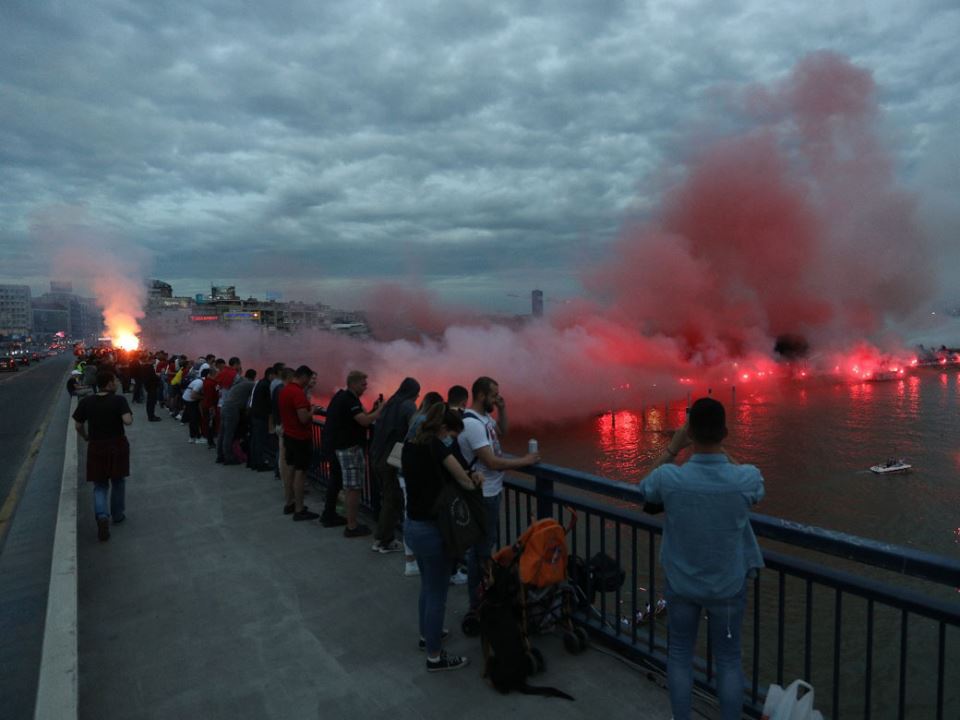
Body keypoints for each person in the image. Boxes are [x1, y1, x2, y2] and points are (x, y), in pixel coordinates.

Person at [637, 397, 764, 720]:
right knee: (729, 661)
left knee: (680, 655)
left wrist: (673, 447)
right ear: (725, 432)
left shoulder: (670, 478)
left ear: (689, 433)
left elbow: (645, 488)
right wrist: (721, 451)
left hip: (682, 583)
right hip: (728, 585)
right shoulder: (744, 478)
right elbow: (757, 489)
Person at [402, 404, 481, 672]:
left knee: (427, 586)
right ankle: (435, 657)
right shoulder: (436, 448)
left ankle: (427, 636)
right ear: (443, 428)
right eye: (451, 434)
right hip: (433, 531)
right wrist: (476, 478)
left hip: (412, 526)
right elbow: (465, 481)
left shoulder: (410, 445)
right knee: (437, 594)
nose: (451, 439)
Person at [458, 376, 539, 619]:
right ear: (481, 395)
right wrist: (525, 461)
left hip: (491, 492)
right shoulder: (472, 424)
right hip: (483, 495)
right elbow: (491, 462)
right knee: (481, 552)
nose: (497, 398)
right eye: (494, 395)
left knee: (483, 548)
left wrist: (502, 409)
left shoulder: (484, 419)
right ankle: (477, 606)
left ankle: (483, 600)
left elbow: (502, 431)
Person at [72, 371, 134, 541]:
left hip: (96, 446)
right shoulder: (119, 400)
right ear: (109, 383)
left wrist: (85, 436)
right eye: (115, 380)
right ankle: (117, 515)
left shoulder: (87, 401)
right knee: (118, 481)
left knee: (100, 485)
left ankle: (102, 516)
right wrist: (127, 415)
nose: (117, 383)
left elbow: (78, 425)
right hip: (117, 446)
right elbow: (128, 421)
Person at [323, 370, 385, 537]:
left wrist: (373, 409)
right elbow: (364, 421)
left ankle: (333, 516)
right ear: (354, 384)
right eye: (363, 384)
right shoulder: (349, 399)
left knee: (347, 485)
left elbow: (361, 417)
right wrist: (380, 410)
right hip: (349, 450)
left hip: (340, 447)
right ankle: (352, 527)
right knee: (354, 488)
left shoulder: (344, 397)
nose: (366, 387)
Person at [369, 377, 421, 554]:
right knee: (392, 499)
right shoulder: (408, 406)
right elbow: (416, 429)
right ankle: (384, 540)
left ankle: (385, 537)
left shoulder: (391, 403)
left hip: (377, 455)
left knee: (388, 497)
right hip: (392, 459)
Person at [399, 391, 444, 575]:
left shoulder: (416, 417)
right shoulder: (424, 421)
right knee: (415, 516)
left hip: (407, 474)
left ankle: (412, 559)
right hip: (415, 476)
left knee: (410, 513)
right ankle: (411, 562)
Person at [278, 365, 320, 521]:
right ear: (303, 377)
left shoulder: (285, 391)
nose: (309, 382)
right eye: (308, 379)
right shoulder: (297, 393)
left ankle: (289, 503)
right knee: (300, 473)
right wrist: (313, 411)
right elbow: (303, 418)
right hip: (300, 438)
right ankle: (299, 509)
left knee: (290, 470)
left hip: (289, 436)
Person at [219, 368, 256, 465]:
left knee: (222, 433)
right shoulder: (250, 384)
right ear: (254, 377)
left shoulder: (239, 382)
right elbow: (257, 391)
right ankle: (228, 458)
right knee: (229, 434)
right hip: (232, 409)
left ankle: (220, 455)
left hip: (225, 407)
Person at [248, 366, 277, 471]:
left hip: (255, 415)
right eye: (274, 376)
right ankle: (260, 464)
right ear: (270, 375)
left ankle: (253, 462)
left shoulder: (260, 383)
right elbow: (269, 404)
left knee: (255, 440)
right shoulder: (266, 385)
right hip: (261, 417)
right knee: (260, 441)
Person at [181, 368, 207, 443]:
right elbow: (193, 395)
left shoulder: (199, 380)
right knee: (195, 419)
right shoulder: (200, 383)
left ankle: (192, 437)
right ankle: (197, 438)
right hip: (190, 401)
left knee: (194, 419)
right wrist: (204, 397)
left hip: (188, 399)